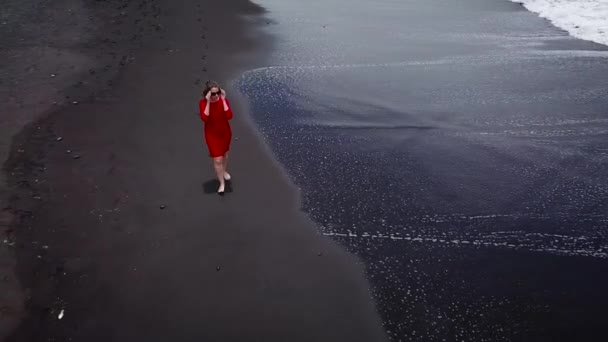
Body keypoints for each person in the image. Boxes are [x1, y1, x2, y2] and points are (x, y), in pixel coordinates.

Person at [199, 80, 233, 195]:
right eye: (213, 94)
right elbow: (205, 118)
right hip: (212, 135)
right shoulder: (203, 103)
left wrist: (223, 100)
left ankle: (223, 171)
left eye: (217, 92)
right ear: (208, 93)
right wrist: (208, 102)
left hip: (225, 133)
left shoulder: (224, 101)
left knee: (224, 155)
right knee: (217, 159)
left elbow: (229, 116)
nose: (216, 95)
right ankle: (222, 183)